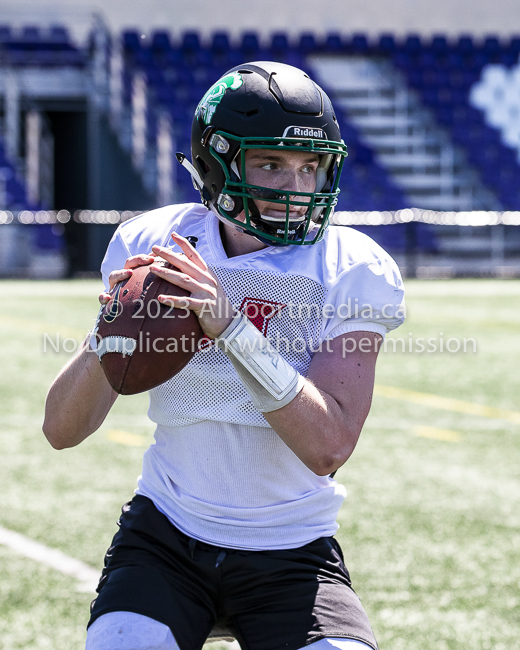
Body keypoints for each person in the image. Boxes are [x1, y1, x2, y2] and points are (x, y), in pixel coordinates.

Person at [43, 61, 405, 650]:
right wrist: (112, 332)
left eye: (309, 167)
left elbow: (328, 445)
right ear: (215, 164)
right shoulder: (153, 244)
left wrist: (231, 326)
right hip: (166, 536)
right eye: (270, 163)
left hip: (292, 549)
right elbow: (61, 430)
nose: (295, 188)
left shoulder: (352, 267)